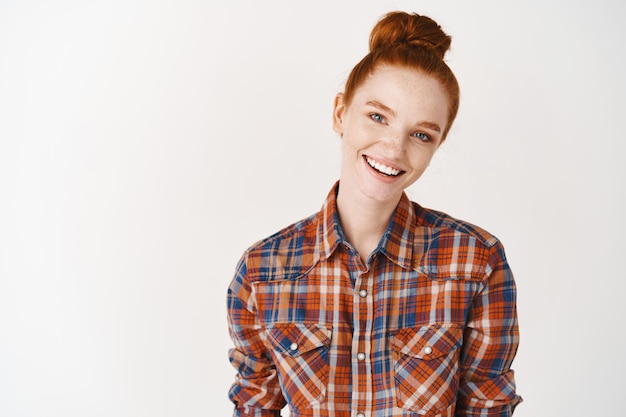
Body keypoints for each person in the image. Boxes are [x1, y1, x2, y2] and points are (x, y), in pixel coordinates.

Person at [227, 11, 521, 417]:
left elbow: (488, 406)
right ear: (340, 114)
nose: (394, 148)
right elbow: (254, 406)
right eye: (378, 116)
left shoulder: (476, 261)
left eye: (421, 134)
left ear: (437, 145)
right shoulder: (261, 272)